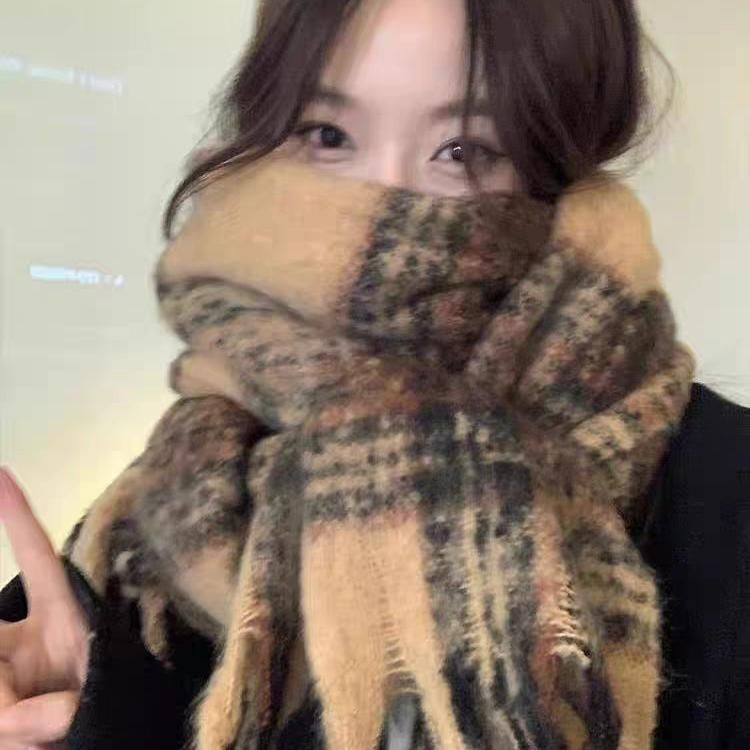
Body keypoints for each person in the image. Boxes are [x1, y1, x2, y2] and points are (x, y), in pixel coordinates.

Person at [0, 0, 748, 748]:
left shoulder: (724, 500)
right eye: (328, 136)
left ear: (556, 169)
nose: (380, 197)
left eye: (462, 150)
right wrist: (95, 720)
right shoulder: (184, 492)